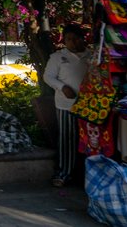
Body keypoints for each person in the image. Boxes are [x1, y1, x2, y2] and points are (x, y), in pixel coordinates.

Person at [43, 23, 90, 187]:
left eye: (76, 39)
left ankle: (86, 174)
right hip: (66, 104)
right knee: (67, 139)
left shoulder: (91, 56)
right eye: (69, 39)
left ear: (82, 39)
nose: (73, 42)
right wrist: (63, 87)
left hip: (90, 106)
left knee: (89, 140)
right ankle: (64, 173)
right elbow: (48, 77)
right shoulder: (58, 57)